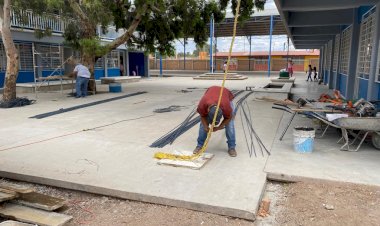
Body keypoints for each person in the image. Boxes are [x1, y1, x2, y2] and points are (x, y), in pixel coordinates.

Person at [194, 86, 237, 157]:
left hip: (225, 95)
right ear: (208, 110)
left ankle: (231, 147)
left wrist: (219, 127)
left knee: (230, 125)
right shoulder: (203, 104)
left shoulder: (226, 106)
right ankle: (200, 146)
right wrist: (205, 126)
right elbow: (202, 115)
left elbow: (228, 118)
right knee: (203, 124)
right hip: (211, 92)